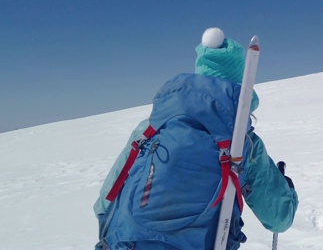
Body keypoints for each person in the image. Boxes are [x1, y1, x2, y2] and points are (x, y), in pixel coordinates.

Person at [94, 27, 298, 250]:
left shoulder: (149, 129)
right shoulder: (242, 142)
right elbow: (279, 218)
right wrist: (288, 193)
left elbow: (106, 202)